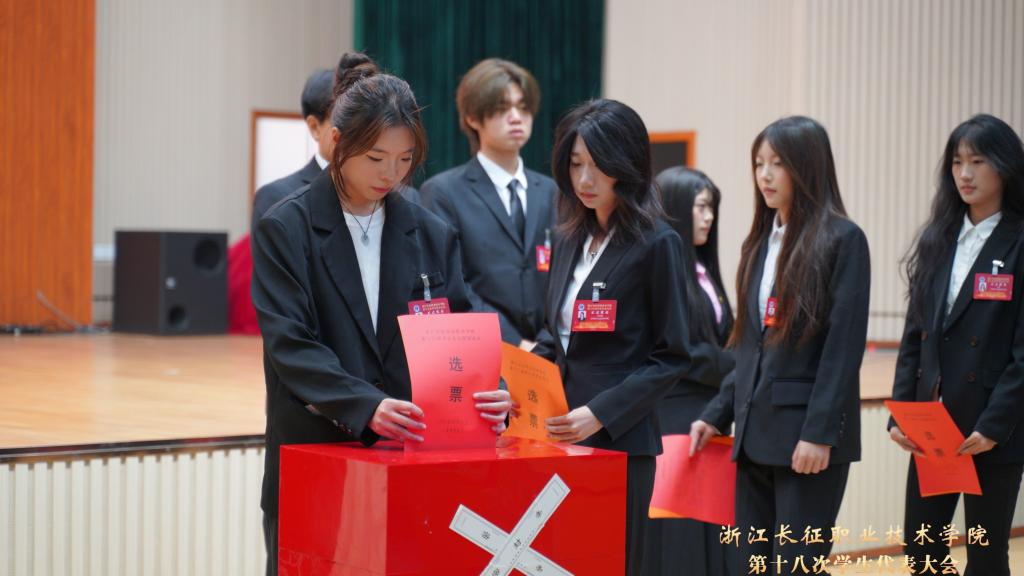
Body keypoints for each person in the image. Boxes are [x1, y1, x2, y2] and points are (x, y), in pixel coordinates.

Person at [251, 53, 511, 576]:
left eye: (405, 159)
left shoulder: (430, 232)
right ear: (337, 142)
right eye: (375, 158)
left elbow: (457, 333)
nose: (391, 174)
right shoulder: (287, 227)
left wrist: (492, 392)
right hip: (317, 455)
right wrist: (366, 405)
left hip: (408, 462)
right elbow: (291, 345)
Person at [691, 116, 871, 570]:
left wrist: (818, 433)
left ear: (807, 166)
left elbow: (842, 350)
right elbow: (751, 349)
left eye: (778, 163)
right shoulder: (758, 243)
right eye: (758, 163)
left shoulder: (843, 239)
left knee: (795, 565)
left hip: (807, 444)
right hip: (754, 437)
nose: (765, 175)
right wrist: (717, 413)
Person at [533, 99, 692, 575]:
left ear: (627, 164)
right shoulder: (567, 238)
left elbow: (672, 356)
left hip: (620, 441)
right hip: (558, 435)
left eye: (598, 165)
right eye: (575, 164)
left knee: (616, 563)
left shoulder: (656, 243)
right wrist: (518, 383)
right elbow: (556, 336)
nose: (585, 179)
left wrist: (599, 413)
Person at [890, 113, 1024, 576]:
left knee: (985, 556)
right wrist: (901, 412)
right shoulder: (939, 237)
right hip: (935, 427)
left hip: (992, 430)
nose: (965, 174)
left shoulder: (1019, 240)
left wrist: (994, 426)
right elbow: (916, 334)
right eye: (957, 162)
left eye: (978, 161)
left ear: (1005, 166)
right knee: (922, 550)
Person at [420, 58, 558, 350]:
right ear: (472, 117)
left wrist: (544, 345)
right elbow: (451, 284)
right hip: (480, 350)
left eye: (523, 107)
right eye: (501, 108)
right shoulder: (443, 192)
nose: (516, 117)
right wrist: (515, 343)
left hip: (548, 352)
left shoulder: (551, 191)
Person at [644, 167, 735, 575]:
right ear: (678, 209)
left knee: (712, 531)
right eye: (701, 207)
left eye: (712, 208)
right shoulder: (660, 269)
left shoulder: (704, 270)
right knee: (679, 537)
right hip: (675, 418)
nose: (709, 217)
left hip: (712, 412)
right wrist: (737, 364)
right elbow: (675, 349)